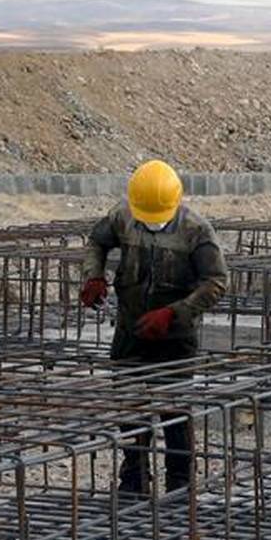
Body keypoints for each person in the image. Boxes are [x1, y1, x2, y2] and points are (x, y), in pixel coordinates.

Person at [80, 159, 228, 496]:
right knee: (130, 406)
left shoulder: (196, 230)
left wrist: (174, 313)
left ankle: (180, 485)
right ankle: (134, 481)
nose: (151, 222)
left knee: (174, 411)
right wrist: (94, 276)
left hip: (175, 336)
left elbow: (216, 282)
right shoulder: (123, 216)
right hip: (131, 329)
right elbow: (97, 242)